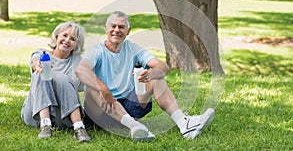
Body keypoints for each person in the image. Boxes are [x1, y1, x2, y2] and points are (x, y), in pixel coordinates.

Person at [75, 11, 214, 141]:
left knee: (157, 79)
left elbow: (163, 67)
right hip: (99, 113)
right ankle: (134, 126)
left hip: (127, 108)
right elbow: (81, 70)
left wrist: (152, 73)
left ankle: (184, 124)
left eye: (121, 27)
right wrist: (103, 88)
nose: (116, 30)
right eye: (113, 26)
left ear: (128, 31)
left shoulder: (133, 48)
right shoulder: (96, 50)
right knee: (93, 86)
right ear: (106, 29)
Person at [21, 21, 91, 142]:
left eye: (73, 39)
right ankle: (45, 125)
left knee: (61, 77)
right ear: (57, 36)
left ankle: (79, 128)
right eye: (64, 35)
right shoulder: (42, 54)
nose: (67, 40)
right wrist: (37, 64)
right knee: (41, 72)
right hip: (34, 114)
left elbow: (92, 86)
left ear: (77, 44)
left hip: (62, 116)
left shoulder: (79, 62)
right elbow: (35, 60)